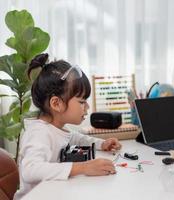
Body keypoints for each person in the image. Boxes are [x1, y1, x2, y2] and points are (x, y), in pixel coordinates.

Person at [14, 53, 122, 200]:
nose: (87, 107)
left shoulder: (57, 128)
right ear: (56, 104)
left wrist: (102, 144)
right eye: (82, 102)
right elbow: (30, 170)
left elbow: (76, 138)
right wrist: (84, 168)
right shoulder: (39, 132)